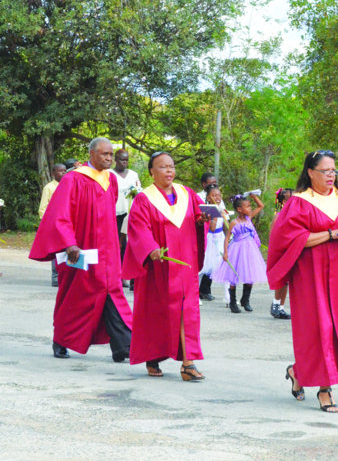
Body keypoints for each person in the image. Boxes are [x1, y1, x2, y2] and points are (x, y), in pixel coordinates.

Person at [267, 150, 338, 412]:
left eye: (333, 171)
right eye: (325, 171)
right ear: (310, 172)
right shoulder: (298, 202)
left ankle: (298, 372)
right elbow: (291, 241)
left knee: (335, 328)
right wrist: (331, 233)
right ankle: (325, 389)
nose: (331, 176)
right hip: (310, 274)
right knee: (319, 329)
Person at [29, 138, 132, 361]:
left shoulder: (110, 180)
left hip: (108, 249)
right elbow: (59, 214)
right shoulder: (74, 179)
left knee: (112, 292)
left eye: (111, 155)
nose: (109, 158)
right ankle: (61, 340)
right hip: (82, 248)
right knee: (75, 294)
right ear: (91, 154)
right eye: (104, 154)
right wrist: (69, 243)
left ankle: (122, 345)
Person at [122, 152, 209, 380]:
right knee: (157, 313)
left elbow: (199, 216)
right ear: (152, 171)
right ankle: (153, 356)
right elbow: (138, 227)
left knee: (187, 311)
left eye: (171, 166)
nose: (169, 171)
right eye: (162, 167)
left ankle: (188, 363)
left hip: (185, 264)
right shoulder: (144, 198)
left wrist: (203, 220)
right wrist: (150, 248)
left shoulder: (186, 194)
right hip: (159, 265)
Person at [211, 192, 267, 313]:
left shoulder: (249, 218)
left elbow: (260, 206)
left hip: (250, 249)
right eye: (247, 206)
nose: (250, 208)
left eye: (249, 206)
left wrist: (254, 197)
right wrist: (225, 252)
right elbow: (227, 237)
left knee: (250, 273)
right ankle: (232, 302)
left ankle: (245, 300)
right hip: (237, 249)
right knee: (234, 275)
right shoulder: (234, 223)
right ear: (239, 209)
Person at [111, 149, 142, 289]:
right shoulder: (109, 174)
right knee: (117, 244)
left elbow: (139, 190)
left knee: (130, 244)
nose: (124, 162)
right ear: (115, 160)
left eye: (126, 160)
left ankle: (127, 275)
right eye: (122, 160)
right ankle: (117, 274)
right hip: (115, 213)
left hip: (130, 213)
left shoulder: (133, 174)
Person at [198, 172, 226, 301]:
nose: (213, 185)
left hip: (218, 235)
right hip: (207, 234)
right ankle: (197, 290)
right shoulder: (200, 197)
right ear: (204, 184)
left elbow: (224, 217)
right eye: (211, 183)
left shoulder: (219, 199)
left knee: (215, 262)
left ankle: (206, 289)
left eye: (215, 183)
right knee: (205, 262)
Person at [38, 163, 66, 287]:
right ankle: (55, 277)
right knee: (56, 250)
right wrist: (49, 223)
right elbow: (42, 208)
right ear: (53, 173)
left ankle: (66, 276)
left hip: (66, 223)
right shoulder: (49, 188)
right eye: (60, 171)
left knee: (67, 250)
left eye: (65, 171)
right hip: (54, 224)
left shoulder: (68, 185)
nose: (63, 173)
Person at [270, 188, 293, 319]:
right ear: (285, 200)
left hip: (291, 250)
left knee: (287, 281)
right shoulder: (279, 215)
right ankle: (275, 304)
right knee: (281, 280)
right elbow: (273, 235)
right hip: (281, 251)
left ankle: (281, 307)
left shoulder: (294, 214)